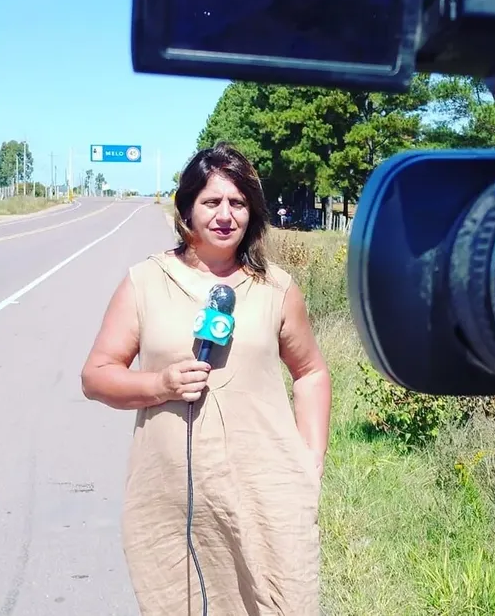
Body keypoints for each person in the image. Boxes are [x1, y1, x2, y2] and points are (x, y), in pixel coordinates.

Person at [80, 141, 332, 615]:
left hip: (266, 496)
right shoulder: (146, 281)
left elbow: (311, 372)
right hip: (173, 498)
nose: (225, 215)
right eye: (211, 202)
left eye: (237, 203)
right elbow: (96, 376)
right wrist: (161, 385)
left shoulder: (276, 287)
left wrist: (310, 460)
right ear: (187, 208)